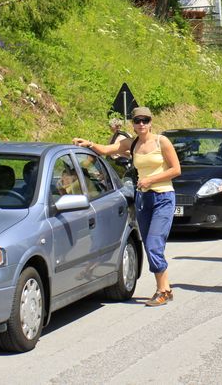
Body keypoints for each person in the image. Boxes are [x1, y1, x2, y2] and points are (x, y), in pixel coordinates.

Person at [73, 106, 180, 306]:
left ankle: (161, 291)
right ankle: (165, 288)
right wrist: (89, 143)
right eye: (137, 120)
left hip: (163, 197)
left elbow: (176, 169)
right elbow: (107, 150)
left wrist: (151, 179)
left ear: (151, 122)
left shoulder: (161, 141)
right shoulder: (131, 143)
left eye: (145, 120)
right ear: (132, 123)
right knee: (149, 244)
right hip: (143, 199)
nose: (141, 124)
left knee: (154, 244)